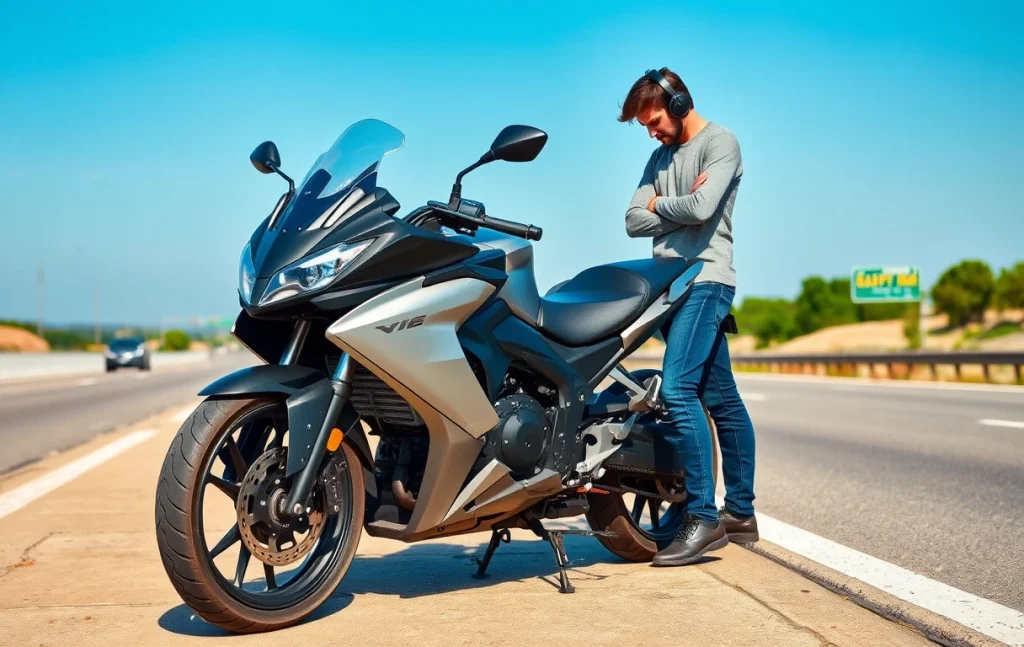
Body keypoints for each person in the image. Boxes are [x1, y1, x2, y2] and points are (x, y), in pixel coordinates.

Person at [619, 67, 758, 567]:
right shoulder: (658, 157)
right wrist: (673, 204)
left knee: (676, 390)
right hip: (669, 288)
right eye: (645, 127)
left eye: (654, 120)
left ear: (678, 104)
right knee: (720, 397)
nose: (652, 133)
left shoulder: (723, 144)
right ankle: (740, 513)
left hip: (705, 280)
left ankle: (703, 516)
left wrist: (663, 202)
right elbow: (633, 220)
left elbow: (703, 209)